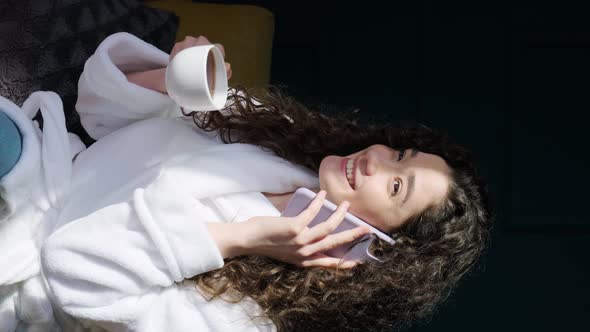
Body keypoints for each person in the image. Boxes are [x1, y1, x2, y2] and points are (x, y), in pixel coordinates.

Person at [0, 32, 493, 331]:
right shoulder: (279, 133)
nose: (376, 163)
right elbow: (101, 114)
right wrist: (168, 77)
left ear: (377, 248)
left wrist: (236, 239)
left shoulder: (247, 316)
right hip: (33, 167)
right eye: (399, 155)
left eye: (395, 188)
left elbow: (73, 274)